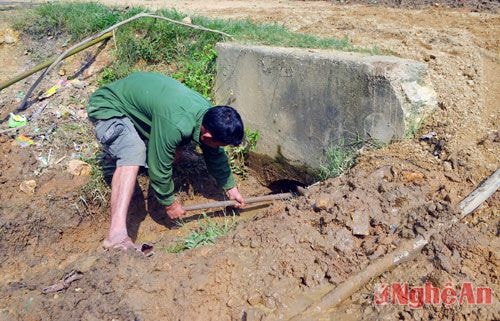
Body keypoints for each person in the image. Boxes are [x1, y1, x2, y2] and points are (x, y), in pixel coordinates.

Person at [87, 72, 246, 252]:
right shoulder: (176, 122)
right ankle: (116, 236)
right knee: (133, 152)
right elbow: (159, 166)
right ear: (208, 135)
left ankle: (131, 155)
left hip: (139, 104)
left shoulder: (208, 115)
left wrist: (231, 188)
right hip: (109, 106)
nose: (219, 148)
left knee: (173, 151)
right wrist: (169, 202)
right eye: (220, 144)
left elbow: (214, 153)